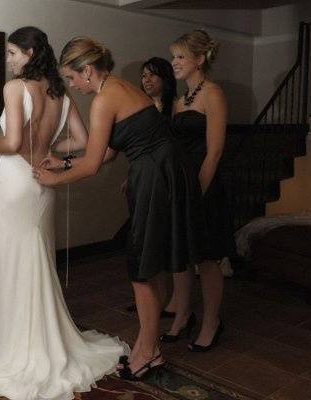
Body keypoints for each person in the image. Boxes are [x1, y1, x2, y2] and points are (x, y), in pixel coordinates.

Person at [0, 27, 127, 400]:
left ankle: (16, 344)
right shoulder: (60, 91)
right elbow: (82, 142)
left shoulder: (15, 89)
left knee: (14, 257)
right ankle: (43, 337)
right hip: (43, 183)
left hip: (14, 180)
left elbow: (14, 141)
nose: (10, 60)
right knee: (36, 256)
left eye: (14, 53)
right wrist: (56, 153)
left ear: (31, 52)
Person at [35, 36, 204, 381]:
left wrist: (52, 180)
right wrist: (64, 161)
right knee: (152, 264)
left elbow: (95, 164)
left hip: (156, 175)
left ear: (87, 70)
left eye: (72, 77)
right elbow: (109, 152)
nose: (72, 85)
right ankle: (149, 346)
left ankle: (146, 350)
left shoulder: (104, 100)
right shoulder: (118, 88)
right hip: (164, 171)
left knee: (142, 267)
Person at [160, 30, 228, 352]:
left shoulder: (213, 93)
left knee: (208, 258)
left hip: (205, 186)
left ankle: (211, 322)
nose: (174, 62)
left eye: (181, 57)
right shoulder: (176, 101)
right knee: (182, 256)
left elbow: (214, 152)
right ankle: (182, 316)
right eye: (173, 56)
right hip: (180, 184)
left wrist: (196, 193)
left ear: (200, 59)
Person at [124, 56, 177, 314]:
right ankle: (148, 298)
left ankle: (167, 299)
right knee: (141, 241)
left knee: (162, 241)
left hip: (167, 178)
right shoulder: (140, 107)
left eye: (151, 75)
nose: (146, 80)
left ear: (164, 79)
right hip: (144, 179)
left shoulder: (174, 108)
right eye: (143, 75)